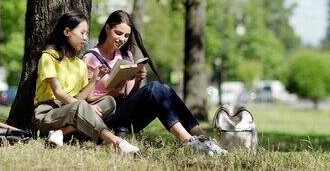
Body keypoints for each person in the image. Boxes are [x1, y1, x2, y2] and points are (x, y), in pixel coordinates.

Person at [83, 10, 227, 156]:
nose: (122, 39)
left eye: (126, 35)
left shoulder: (125, 54)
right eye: (118, 33)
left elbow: (130, 95)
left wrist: (138, 80)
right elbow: (84, 100)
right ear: (107, 28)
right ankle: (189, 142)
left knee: (163, 89)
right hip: (107, 120)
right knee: (154, 88)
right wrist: (112, 93)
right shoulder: (91, 58)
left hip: (125, 112)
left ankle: (203, 139)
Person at [33, 12, 139, 154]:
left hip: (71, 109)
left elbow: (81, 98)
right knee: (82, 107)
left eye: (86, 34)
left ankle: (60, 132)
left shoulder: (80, 64)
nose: (85, 38)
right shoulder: (49, 57)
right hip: (48, 113)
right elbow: (58, 93)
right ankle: (116, 141)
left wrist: (95, 79)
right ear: (67, 32)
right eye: (82, 33)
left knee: (109, 102)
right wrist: (82, 106)